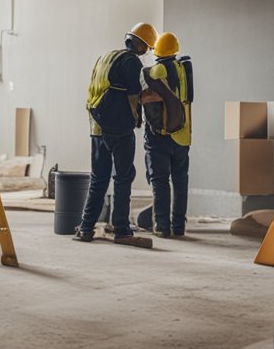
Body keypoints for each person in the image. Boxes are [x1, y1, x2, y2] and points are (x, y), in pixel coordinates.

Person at [75, 22, 157, 245]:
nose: (146, 51)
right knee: (123, 177)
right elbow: (136, 95)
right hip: (119, 128)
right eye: (147, 47)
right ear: (140, 44)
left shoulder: (106, 56)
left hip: (97, 127)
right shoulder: (131, 62)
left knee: (98, 178)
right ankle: (121, 230)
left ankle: (86, 227)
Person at [137, 32, 193, 237]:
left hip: (159, 136)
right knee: (180, 181)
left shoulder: (155, 70)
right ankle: (179, 227)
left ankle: (161, 226)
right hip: (183, 134)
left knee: (160, 181)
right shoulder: (184, 70)